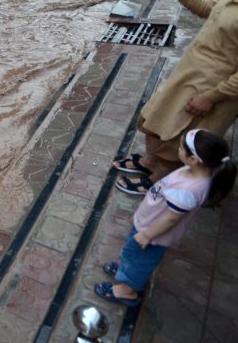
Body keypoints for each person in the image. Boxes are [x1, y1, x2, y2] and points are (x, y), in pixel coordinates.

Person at [111, 0, 238, 195]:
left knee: (181, 139)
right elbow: (208, 9)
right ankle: (150, 163)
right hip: (190, 75)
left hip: (214, 90)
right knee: (156, 118)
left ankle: (159, 181)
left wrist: (211, 96)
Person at [96, 129, 235, 306]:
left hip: (154, 235)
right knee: (132, 255)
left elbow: (171, 219)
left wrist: (147, 234)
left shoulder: (189, 190)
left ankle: (127, 290)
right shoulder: (194, 170)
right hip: (149, 224)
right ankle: (125, 271)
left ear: (194, 159)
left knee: (139, 261)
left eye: (181, 147)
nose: (178, 149)